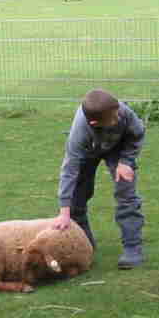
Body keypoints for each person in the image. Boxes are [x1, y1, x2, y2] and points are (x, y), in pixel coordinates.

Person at [53, 88, 146, 269]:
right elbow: (69, 170)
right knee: (77, 200)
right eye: (113, 118)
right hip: (88, 151)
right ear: (94, 123)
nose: (118, 118)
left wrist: (126, 161)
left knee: (126, 195)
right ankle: (86, 245)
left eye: (118, 113)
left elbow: (138, 133)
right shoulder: (80, 133)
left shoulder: (121, 111)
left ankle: (132, 248)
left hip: (119, 149)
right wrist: (64, 212)